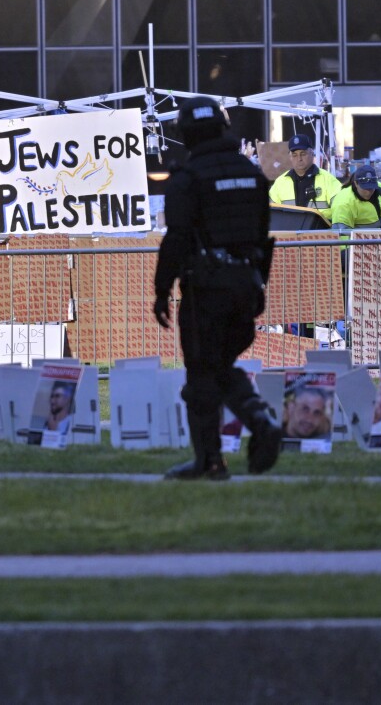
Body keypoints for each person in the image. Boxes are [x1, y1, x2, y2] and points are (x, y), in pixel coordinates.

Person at [154, 97, 285, 480]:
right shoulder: (252, 174)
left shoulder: (189, 178)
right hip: (246, 286)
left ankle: (210, 460)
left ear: (187, 134)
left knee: (200, 375)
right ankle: (259, 420)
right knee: (220, 367)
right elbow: (262, 238)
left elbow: (176, 239)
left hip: (206, 289)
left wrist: (161, 291)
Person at [268, 133, 343, 222]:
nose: (299, 158)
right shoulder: (280, 183)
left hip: (321, 233)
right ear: (290, 157)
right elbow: (270, 214)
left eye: (303, 154)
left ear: (312, 154)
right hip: (289, 234)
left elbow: (342, 210)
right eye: (294, 155)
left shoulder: (328, 180)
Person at [330, 163, 381, 232]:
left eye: (371, 187)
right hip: (359, 246)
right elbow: (342, 235)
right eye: (365, 188)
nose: (369, 191)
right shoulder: (344, 202)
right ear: (356, 183)